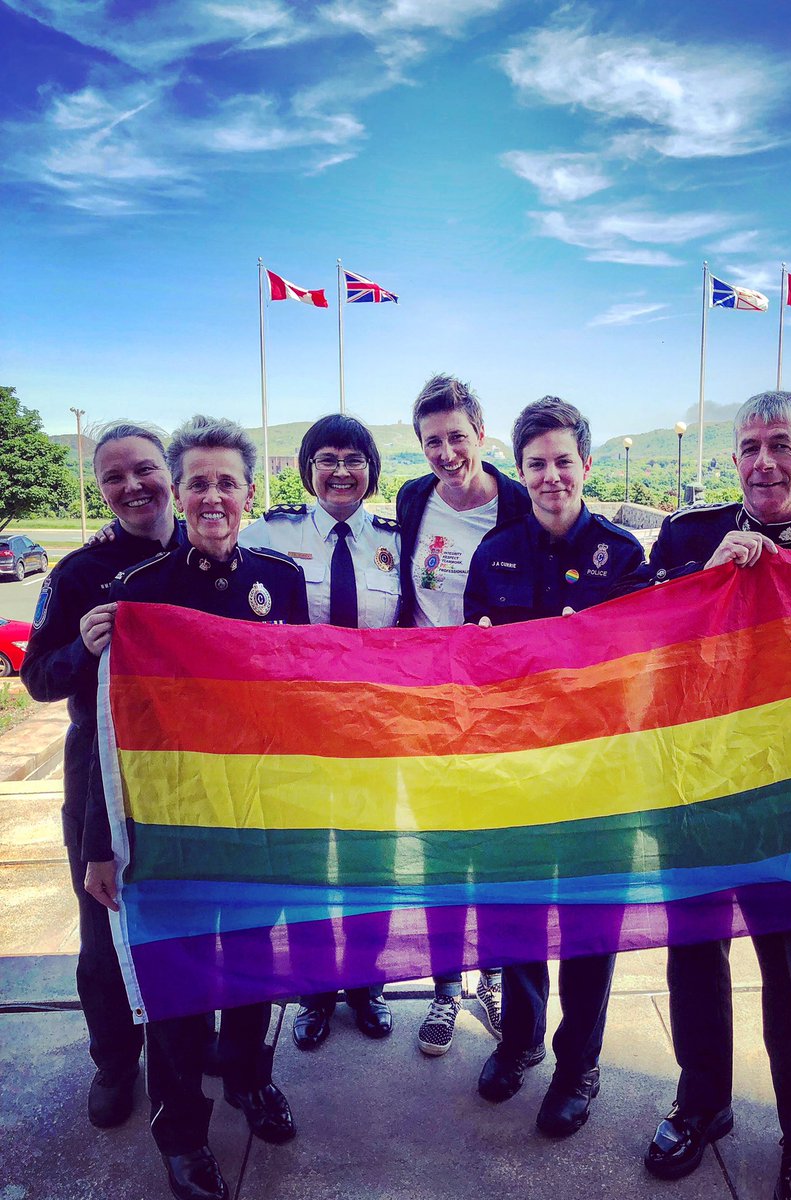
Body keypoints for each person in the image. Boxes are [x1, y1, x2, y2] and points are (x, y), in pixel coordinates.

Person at [633, 391, 791, 1200]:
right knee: (693, 964)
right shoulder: (688, 539)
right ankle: (703, 1103)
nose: (763, 462)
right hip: (697, 802)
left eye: (781, 446)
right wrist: (698, 581)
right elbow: (638, 644)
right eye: (749, 447)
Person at [83, 416, 308, 1200]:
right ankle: (181, 1133)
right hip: (170, 824)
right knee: (177, 986)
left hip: (259, 818)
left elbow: (304, 700)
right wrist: (101, 844)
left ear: (250, 493)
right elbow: (108, 736)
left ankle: (248, 1078)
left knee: (254, 965)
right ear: (179, 494)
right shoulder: (137, 592)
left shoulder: (281, 581)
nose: (214, 497)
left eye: (228, 483)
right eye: (199, 483)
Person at [463, 396, 648, 1138]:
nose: (550, 476)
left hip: (598, 777)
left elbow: (644, 672)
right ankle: (519, 1041)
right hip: (514, 773)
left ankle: (578, 1065)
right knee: (514, 918)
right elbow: (471, 662)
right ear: (520, 469)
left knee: (590, 930)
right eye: (535, 463)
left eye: (563, 461)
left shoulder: (623, 556)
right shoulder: (494, 553)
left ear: (586, 465)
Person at [20, 422, 186, 1129]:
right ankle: (116, 1060)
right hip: (101, 784)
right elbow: (36, 678)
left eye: (144, 469)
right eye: (113, 477)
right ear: (99, 488)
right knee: (103, 932)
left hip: (190, 781)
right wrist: (82, 650)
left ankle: (189, 1043)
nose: (132, 486)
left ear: (170, 472)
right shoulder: (77, 573)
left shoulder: (207, 555)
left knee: (186, 923)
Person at [239, 413, 400, 1049]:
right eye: (327, 459)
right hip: (295, 739)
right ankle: (314, 992)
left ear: (371, 471)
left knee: (370, 868)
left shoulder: (396, 542)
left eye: (354, 459)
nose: (340, 471)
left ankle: (366, 985)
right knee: (304, 869)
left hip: (372, 738)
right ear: (308, 469)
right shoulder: (268, 535)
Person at [396, 374, 531, 1055]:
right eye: (432, 441)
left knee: (499, 852)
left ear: (482, 432)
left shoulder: (520, 502)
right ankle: (446, 989)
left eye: (456, 437)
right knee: (441, 854)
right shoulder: (412, 498)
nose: (446, 453)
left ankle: (495, 979)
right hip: (429, 706)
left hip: (502, 709)